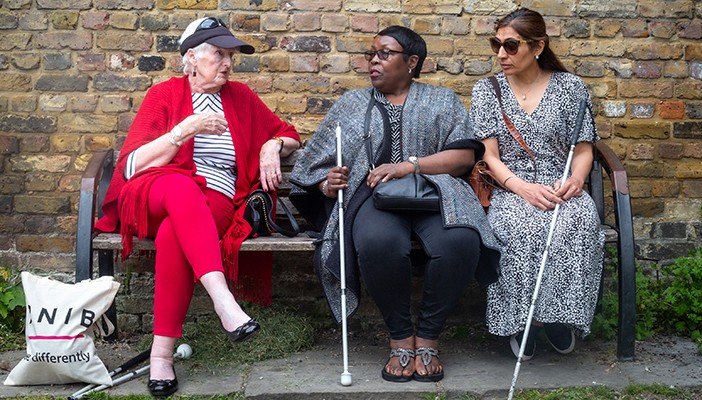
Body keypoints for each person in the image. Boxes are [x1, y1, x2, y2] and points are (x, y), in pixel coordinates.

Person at [94, 17, 300, 396]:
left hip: (216, 204)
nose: (227, 63)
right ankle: (225, 302)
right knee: (181, 187)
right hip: (156, 193)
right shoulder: (164, 96)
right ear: (191, 57)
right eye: (219, 54)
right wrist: (184, 129)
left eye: (231, 56)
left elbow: (287, 133)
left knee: (177, 232)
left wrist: (272, 146)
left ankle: (161, 357)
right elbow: (131, 166)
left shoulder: (240, 98)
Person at [290, 26, 500, 383]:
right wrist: (328, 184)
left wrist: (410, 165)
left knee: (460, 241)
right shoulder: (352, 105)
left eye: (385, 53)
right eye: (372, 53)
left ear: (412, 61)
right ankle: (401, 338)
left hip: (437, 195)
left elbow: (464, 157)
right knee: (378, 243)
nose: (374, 60)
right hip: (374, 200)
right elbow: (314, 167)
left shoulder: (442, 100)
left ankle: (429, 337)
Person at [469, 8, 605, 360]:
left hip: (560, 184)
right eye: (496, 45)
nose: (501, 54)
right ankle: (521, 321)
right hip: (511, 185)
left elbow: (585, 149)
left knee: (575, 223)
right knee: (518, 227)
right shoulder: (487, 91)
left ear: (538, 46)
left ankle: (558, 316)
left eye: (511, 46)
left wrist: (575, 179)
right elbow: (490, 157)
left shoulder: (570, 87)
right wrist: (522, 188)